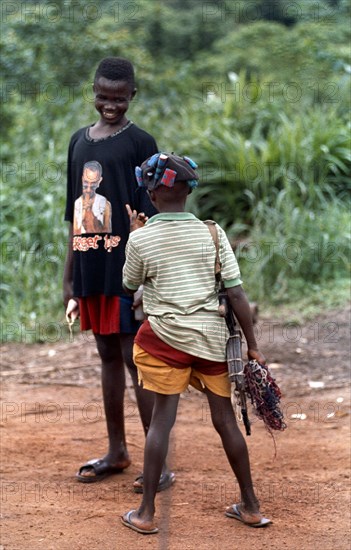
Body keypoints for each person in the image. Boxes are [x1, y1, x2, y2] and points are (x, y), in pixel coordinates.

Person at [121, 153, 272, 534]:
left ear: (150, 196)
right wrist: (253, 346)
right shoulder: (212, 232)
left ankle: (146, 513)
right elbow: (237, 295)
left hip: (166, 342)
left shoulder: (141, 238)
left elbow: (129, 287)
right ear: (189, 191)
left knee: (161, 422)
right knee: (225, 421)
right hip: (210, 340)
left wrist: (136, 232)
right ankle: (251, 506)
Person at [63, 57, 174, 492]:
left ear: (132, 97)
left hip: (128, 270)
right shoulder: (77, 141)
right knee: (107, 355)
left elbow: (156, 211)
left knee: (135, 358)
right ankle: (117, 450)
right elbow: (73, 216)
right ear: (93, 93)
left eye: (119, 98)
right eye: (103, 97)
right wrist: (69, 279)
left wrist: (149, 277)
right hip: (91, 263)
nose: (110, 105)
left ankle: (157, 463)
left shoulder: (141, 142)